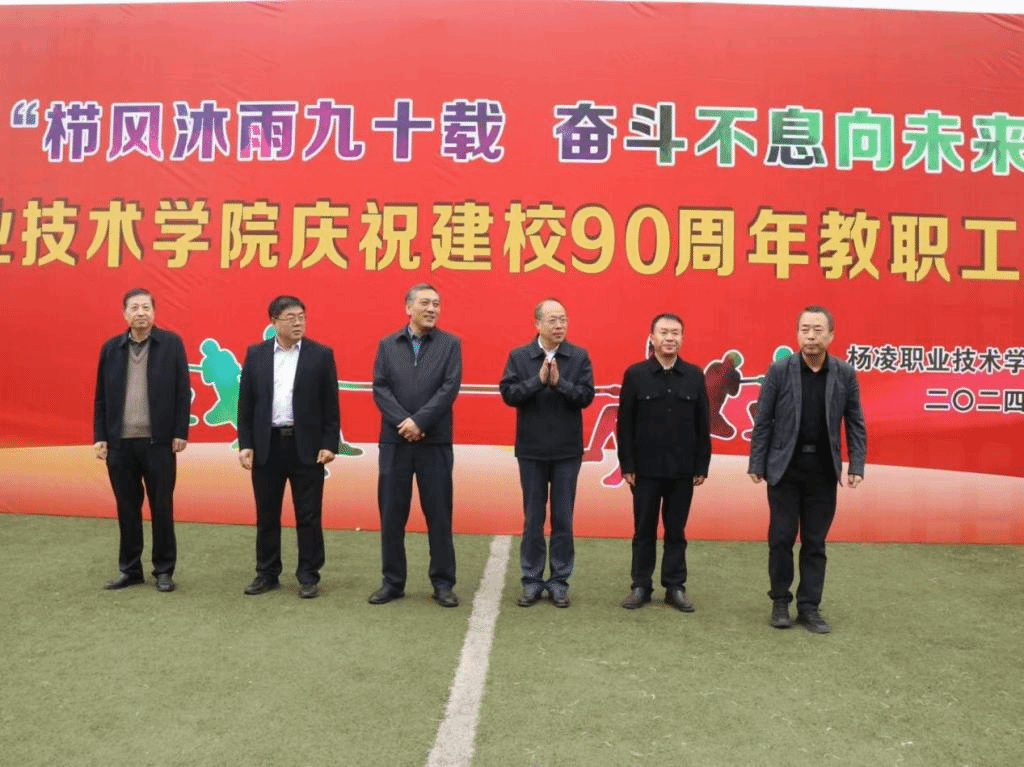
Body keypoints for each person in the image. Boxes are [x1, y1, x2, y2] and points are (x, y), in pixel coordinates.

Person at [748, 305, 867, 634]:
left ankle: (809, 607)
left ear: (831, 335)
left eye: (817, 330)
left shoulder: (844, 373)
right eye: (805, 330)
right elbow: (764, 420)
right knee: (781, 538)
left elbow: (855, 421)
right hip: (785, 469)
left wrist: (856, 463)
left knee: (815, 542)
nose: (811, 336)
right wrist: (757, 462)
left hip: (823, 470)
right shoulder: (779, 370)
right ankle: (780, 601)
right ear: (797, 334)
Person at [237, 296, 339, 599]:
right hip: (267, 445)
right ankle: (267, 573)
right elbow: (246, 403)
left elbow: (330, 404)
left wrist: (329, 443)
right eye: (290, 318)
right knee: (267, 513)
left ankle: (308, 575)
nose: (298, 323)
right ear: (273, 322)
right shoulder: (256, 354)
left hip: (305, 446)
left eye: (301, 317)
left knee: (308, 515)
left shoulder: (320, 355)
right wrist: (246, 444)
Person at [369, 284, 462, 608]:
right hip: (395, 442)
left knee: (439, 514)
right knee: (392, 514)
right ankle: (392, 582)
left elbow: (449, 388)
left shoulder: (450, 344)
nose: (432, 309)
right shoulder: (388, 344)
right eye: (425, 303)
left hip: (434, 442)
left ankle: (443, 583)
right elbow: (380, 388)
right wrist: (404, 423)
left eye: (436, 303)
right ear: (408, 308)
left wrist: (420, 422)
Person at [500, 299, 595, 608]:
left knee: (563, 518)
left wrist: (559, 383)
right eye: (553, 320)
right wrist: (538, 381)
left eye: (563, 319)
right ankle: (531, 580)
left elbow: (585, 396)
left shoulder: (578, 356)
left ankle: (559, 581)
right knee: (533, 519)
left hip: (567, 452)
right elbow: (509, 394)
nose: (559, 325)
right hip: (532, 451)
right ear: (537, 324)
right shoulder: (520, 356)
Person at [93, 288, 189, 592]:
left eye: (146, 307)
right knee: (127, 508)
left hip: (158, 443)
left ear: (154, 312)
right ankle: (130, 569)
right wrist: (100, 436)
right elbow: (101, 396)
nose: (141, 313)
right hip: (120, 444)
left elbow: (182, 390)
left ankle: (164, 570)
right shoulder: (111, 348)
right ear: (125, 314)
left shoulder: (171, 344)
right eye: (134, 308)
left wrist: (180, 432)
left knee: (162, 508)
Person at [617, 313, 711, 612]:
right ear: (652, 337)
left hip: (683, 469)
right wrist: (627, 464)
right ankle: (640, 585)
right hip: (645, 470)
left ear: (682, 338)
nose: (670, 338)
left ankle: (675, 586)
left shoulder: (694, 375)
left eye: (675, 333)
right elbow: (625, 424)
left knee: (676, 531)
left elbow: (703, 424)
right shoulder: (636, 374)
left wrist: (701, 465)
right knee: (643, 529)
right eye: (664, 332)